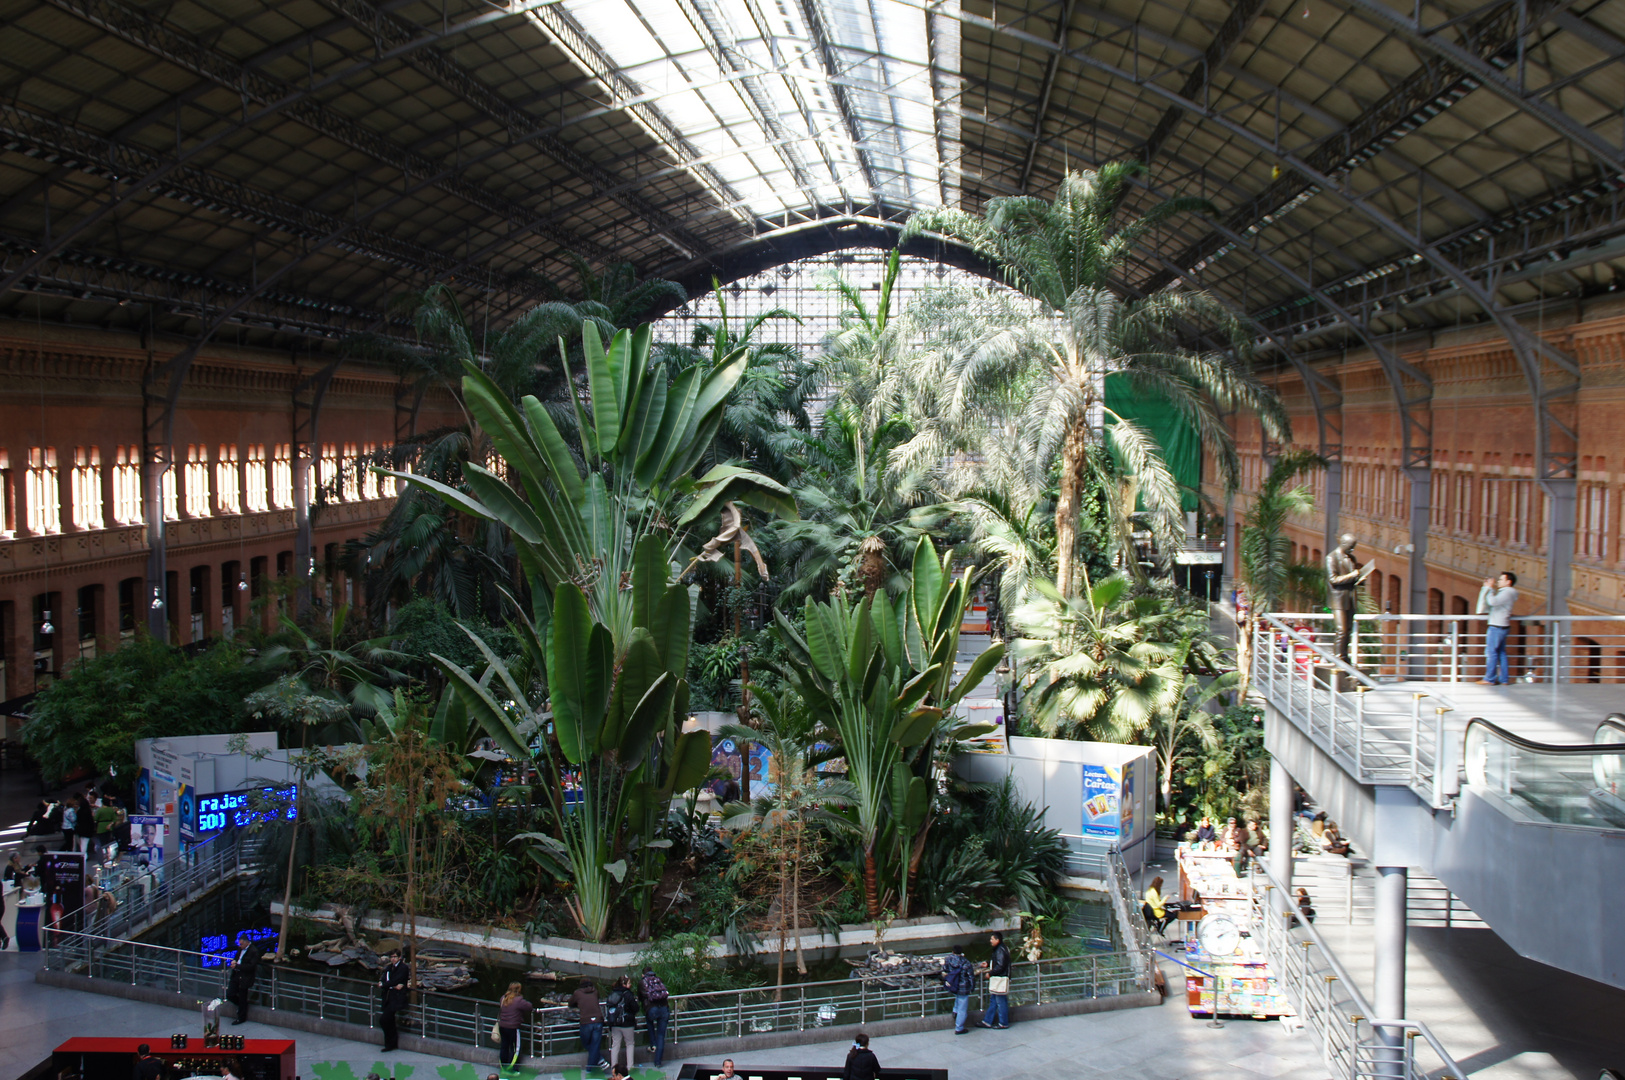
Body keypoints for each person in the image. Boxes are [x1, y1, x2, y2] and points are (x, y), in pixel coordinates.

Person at [1326, 534, 1370, 665]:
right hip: (1338, 599)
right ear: (1343, 544)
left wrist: (1360, 579)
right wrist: (1353, 574)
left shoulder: (1351, 558)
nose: (1352, 550)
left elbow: (1352, 579)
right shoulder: (1331, 558)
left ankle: (1344, 656)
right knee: (1341, 629)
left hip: (1350, 598)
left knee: (1348, 629)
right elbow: (1333, 579)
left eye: (1353, 548)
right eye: (1350, 547)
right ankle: (1338, 657)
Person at [1477, 571, 1518, 685]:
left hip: (1497, 626)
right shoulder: (1508, 592)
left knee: (1492, 652)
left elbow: (1492, 602)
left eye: (1501, 580)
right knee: (1501, 653)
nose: (1498, 582)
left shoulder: (1507, 593)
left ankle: (1489, 678)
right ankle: (1504, 679)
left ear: (1508, 582)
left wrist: (1489, 589)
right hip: (1502, 625)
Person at [569, 977, 607, 1070]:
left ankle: (597, 1062)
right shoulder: (595, 991)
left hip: (586, 1021)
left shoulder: (577, 993)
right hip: (598, 1020)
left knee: (585, 1042)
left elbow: (570, 1003)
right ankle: (595, 1064)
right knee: (595, 1044)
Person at [225, 932, 262, 1026]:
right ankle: (243, 1006)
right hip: (236, 974)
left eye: (241, 944)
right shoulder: (240, 949)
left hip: (245, 977)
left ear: (246, 942)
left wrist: (238, 966)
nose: (240, 946)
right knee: (230, 994)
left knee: (242, 996)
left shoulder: (254, 951)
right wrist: (234, 962)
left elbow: (251, 966)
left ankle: (241, 1016)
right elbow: (237, 957)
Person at [496, 981, 533, 1072]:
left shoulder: (503, 998)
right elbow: (529, 1007)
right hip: (513, 1028)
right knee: (515, 1048)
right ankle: (512, 1068)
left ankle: (503, 1066)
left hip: (502, 1026)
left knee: (504, 1046)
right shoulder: (519, 1000)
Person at [605, 973, 638, 1073]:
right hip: (627, 1023)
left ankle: (614, 1067)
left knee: (615, 1045)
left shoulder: (613, 993)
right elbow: (635, 1008)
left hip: (615, 1023)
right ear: (625, 984)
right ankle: (630, 1066)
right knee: (630, 1043)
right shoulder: (628, 994)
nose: (630, 984)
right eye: (629, 983)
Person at [977, 930, 1011, 1028]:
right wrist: (988, 963)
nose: (990, 941)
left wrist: (990, 973)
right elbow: (999, 962)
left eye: (992, 939)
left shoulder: (1000, 950)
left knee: (1000, 1001)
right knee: (995, 1001)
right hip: (1000, 979)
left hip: (1000, 980)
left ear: (997, 940)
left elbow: (1000, 965)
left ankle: (1003, 1023)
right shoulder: (1001, 948)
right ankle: (987, 1021)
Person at [378, 949, 410, 1052]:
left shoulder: (403, 968)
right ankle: (391, 1043)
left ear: (399, 957)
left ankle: (390, 1043)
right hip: (388, 997)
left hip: (396, 998)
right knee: (389, 1021)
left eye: (395, 957)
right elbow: (386, 979)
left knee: (384, 1019)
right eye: (391, 957)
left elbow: (396, 981)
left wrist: (385, 984)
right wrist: (385, 983)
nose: (393, 959)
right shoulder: (389, 968)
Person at [640, 964, 671, 1067]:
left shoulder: (642, 982)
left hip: (652, 1009)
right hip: (664, 1009)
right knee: (661, 1035)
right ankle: (658, 1062)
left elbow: (641, 997)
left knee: (649, 1021)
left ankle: (653, 1044)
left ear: (643, 974)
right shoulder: (659, 979)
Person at [940, 944, 973, 1034]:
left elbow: (945, 970)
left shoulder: (948, 959)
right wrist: (972, 987)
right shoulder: (966, 962)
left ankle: (955, 1012)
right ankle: (959, 1028)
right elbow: (970, 977)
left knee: (957, 999)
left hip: (953, 985)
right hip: (964, 987)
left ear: (952, 951)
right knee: (963, 1008)